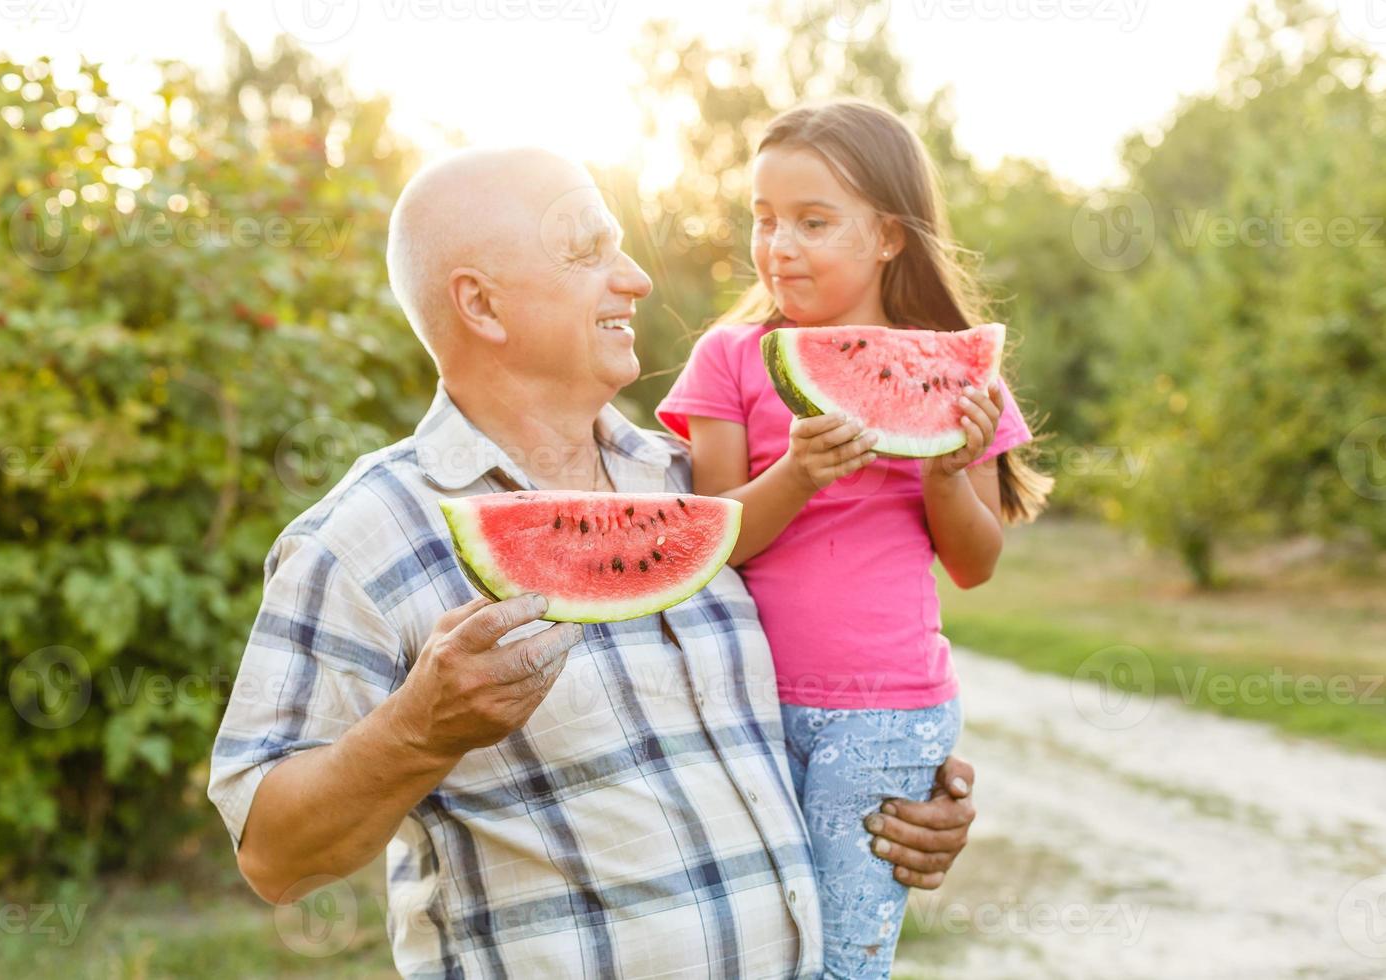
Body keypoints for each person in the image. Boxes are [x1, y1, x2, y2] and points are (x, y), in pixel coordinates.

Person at [208, 146, 979, 978]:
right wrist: (416, 732)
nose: (638, 279)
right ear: (482, 305)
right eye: (589, 252)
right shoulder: (364, 537)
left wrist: (888, 795)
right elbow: (274, 858)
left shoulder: (699, 493)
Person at [655, 100, 1052, 977]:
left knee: (841, 963)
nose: (778, 246)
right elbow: (712, 539)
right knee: (744, 953)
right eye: (763, 221)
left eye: (813, 222)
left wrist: (946, 469)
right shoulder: (728, 359)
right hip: (741, 702)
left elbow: (976, 566)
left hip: (887, 711)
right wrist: (795, 475)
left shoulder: (955, 370)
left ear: (889, 237)